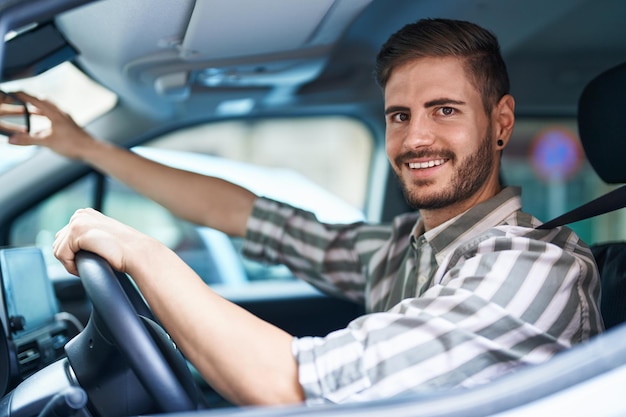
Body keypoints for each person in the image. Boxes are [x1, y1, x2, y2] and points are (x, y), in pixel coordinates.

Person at [6, 18, 603, 406]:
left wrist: (142, 253)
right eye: (400, 115)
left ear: (500, 124)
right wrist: (82, 146)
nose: (416, 138)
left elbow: (292, 384)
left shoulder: (536, 269)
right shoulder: (406, 246)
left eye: (445, 110)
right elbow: (249, 216)